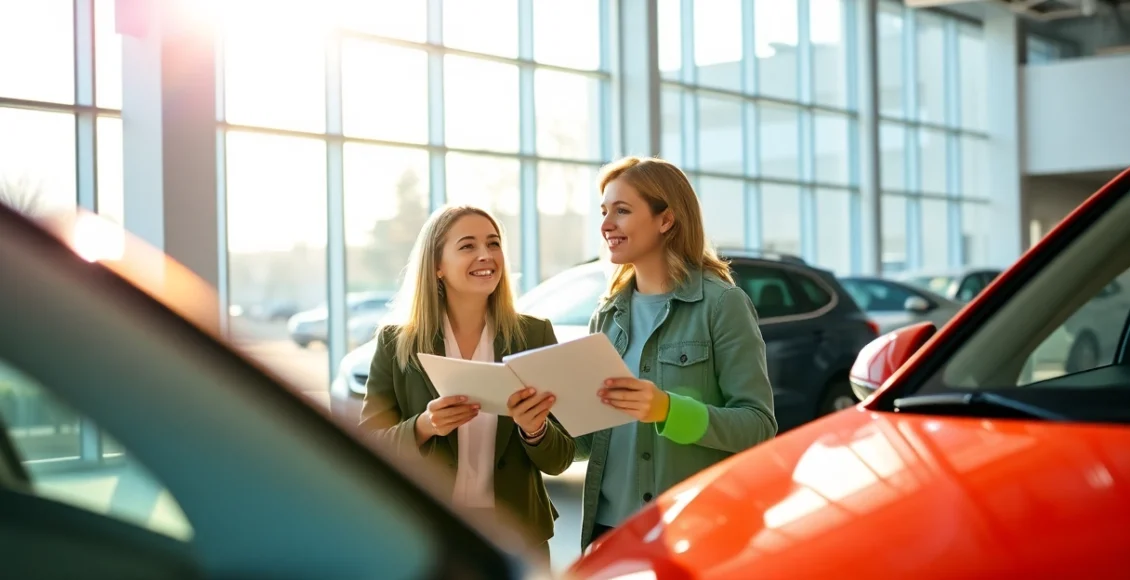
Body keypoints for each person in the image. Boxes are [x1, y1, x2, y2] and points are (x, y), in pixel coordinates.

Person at [575, 156, 777, 550]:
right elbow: (589, 440)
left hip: (690, 531)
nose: (605, 226)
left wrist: (668, 410)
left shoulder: (721, 305)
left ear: (665, 219)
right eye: (603, 212)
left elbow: (758, 427)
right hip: (609, 534)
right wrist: (539, 425)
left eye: (621, 210)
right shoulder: (606, 315)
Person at [359, 204, 574, 562]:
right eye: (467, 246)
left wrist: (535, 429)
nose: (485, 255)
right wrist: (424, 426)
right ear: (437, 266)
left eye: (493, 243)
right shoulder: (395, 342)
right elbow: (369, 448)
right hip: (429, 534)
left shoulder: (534, 334)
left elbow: (561, 458)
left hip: (517, 535)